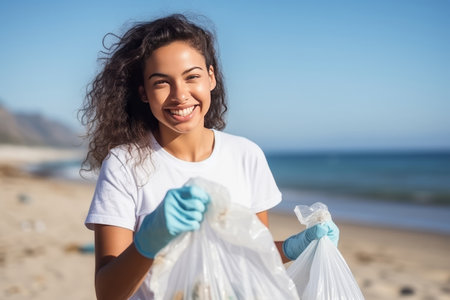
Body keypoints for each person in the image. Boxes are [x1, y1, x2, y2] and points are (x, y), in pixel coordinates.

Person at [81, 14, 339, 300]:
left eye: (192, 77)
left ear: (211, 77)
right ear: (143, 92)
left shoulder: (246, 155)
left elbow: (254, 260)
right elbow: (107, 292)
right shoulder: (124, 164)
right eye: (161, 82)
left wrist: (294, 247)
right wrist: (147, 243)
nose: (180, 95)